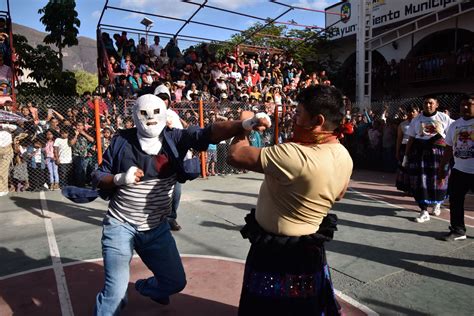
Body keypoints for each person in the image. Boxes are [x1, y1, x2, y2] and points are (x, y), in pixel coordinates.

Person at [82, 94, 270, 315]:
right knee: (114, 294)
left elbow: (208, 132)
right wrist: (119, 178)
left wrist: (246, 123)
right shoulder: (122, 141)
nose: (150, 118)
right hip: (121, 225)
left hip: (156, 228)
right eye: (144, 113)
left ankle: (145, 287)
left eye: (155, 113)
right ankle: (116, 296)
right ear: (134, 116)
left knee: (175, 283)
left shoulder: (175, 139)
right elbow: (98, 175)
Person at [227, 85, 353, 315]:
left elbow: (236, 155)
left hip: (277, 253)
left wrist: (245, 123)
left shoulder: (294, 155)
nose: (293, 117)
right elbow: (339, 194)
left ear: (317, 120)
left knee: (268, 308)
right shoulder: (344, 155)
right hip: (309, 249)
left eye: (298, 113)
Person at [403, 97, 453, 223]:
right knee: (421, 181)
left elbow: (451, 136)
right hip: (421, 154)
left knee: (439, 179)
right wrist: (406, 156)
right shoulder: (417, 119)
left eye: (431, 103)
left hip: (439, 154)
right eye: (426, 103)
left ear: (437, 105)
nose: (428, 105)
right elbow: (411, 139)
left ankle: (437, 204)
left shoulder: (444, 118)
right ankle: (424, 211)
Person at [438, 95, 473, 241]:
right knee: (456, 200)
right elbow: (448, 148)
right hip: (459, 170)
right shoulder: (454, 125)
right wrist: (442, 167)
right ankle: (458, 231)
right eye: (462, 104)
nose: (464, 107)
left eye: (469, 104)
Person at [395, 105, 419, 193]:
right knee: (405, 168)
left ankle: (415, 188)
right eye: (409, 111)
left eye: (413, 111)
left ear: (418, 112)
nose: (411, 113)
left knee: (415, 169)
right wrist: (397, 151)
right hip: (404, 148)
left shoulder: (420, 123)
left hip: (416, 148)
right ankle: (406, 188)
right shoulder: (403, 124)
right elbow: (399, 139)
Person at [0, 121, 16, 196]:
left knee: (3, 170)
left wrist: (2, 125)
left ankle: (3, 189)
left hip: (6, 149)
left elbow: (15, 127)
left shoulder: (8, 126)